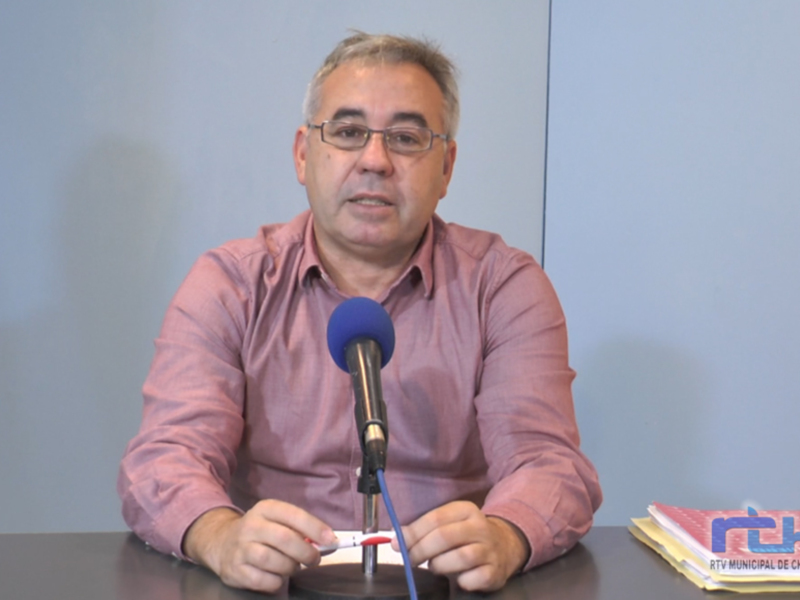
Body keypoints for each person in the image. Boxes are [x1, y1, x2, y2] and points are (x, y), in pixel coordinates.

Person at [118, 32, 602, 594]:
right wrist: (218, 535)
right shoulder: (231, 284)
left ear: (446, 166)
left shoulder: (504, 288)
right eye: (348, 133)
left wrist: (507, 534)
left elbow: (549, 465)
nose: (375, 161)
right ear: (304, 154)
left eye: (405, 137)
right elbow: (164, 458)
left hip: (441, 588)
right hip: (274, 587)